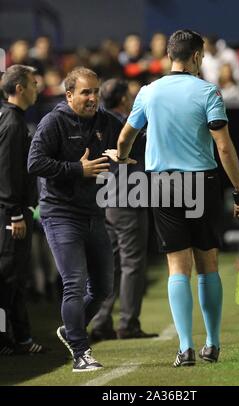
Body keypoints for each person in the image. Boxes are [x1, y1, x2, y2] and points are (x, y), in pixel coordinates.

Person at [104, 30, 239, 367]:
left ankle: (185, 348)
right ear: (198, 56)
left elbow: (126, 136)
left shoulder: (148, 91)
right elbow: (224, 146)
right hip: (201, 181)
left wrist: (123, 157)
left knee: (177, 267)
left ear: (170, 55)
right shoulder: (208, 91)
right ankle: (212, 344)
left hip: (162, 184)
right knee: (207, 264)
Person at [27, 67, 123, 372]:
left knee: (104, 288)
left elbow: (123, 143)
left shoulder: (105, 121)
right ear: (69, 95)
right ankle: (81, 352)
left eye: (95, 91)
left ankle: (71, 330)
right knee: (74, 284)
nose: (93, 97)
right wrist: (75, 169)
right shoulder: (53, 122)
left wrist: (122, 156)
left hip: (94, 212)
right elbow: (35, 163)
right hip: (60, 214)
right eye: (86, 92)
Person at [91, 79, 157, 341]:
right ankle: (128, 323)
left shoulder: (98, 122)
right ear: (123, 99)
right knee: (132, 263)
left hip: (105, 199)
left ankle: (100, 321)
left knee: (111, 263)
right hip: (128, 198)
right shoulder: (127, 123)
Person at [0, 64, 46, 355]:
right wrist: (15, 213)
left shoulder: (11, 119)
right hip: (10, 215)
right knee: (7, 276)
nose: (37, 88)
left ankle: (20, 339)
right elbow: (5, 172)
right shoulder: (12, 123)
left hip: (12, 211)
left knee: (14, 277)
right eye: (32, 83)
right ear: (19, 88)